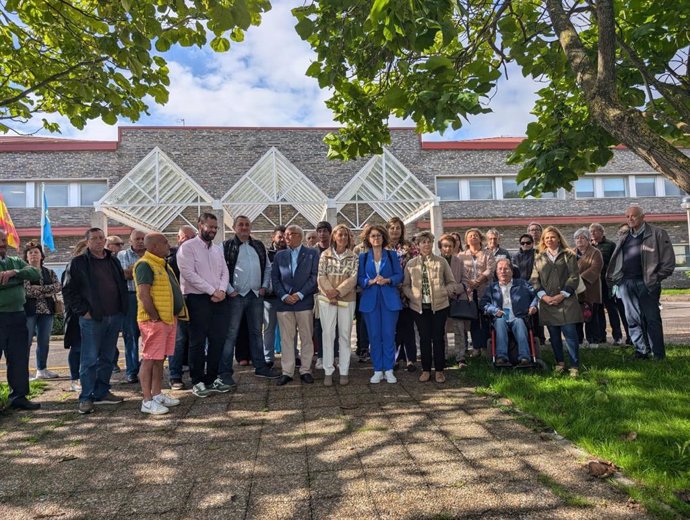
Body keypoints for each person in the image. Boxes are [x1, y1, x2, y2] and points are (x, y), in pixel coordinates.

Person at [63, 228, 128, 414]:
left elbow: (120, 285)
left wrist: (123, 309)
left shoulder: (112, 260)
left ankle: (102, 392)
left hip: (114, 316)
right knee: (89, 359)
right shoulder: (78, 263)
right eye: (94, 238)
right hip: (92, 318)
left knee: (108, 358)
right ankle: (86, 397)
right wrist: (83, 311)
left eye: (102, 238)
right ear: (87, 241)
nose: (99, 241)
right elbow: (68, 290)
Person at [607, 205, 676, 360]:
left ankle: (658, 354)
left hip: (647, 283)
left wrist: (656, 278)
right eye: (627, 216)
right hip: (626, 283)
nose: (630, 219)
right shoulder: (625, 236)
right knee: (632, 319)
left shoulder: (657, 234)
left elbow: (669, 261)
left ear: (643, 217)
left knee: (652, 319)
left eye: (633, 216)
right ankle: (641, 352)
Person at [176, 213, 231, 397]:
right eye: (210, 227)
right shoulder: (187, 248)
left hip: (219, 300)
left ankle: (212, 378)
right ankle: (198, 381)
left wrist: (222, 291)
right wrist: (212, 291)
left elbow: (225, 271)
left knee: (218, 340)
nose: (214, 230)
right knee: (197, 342)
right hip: (197, 299)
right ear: (200, 225)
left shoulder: (217, 249)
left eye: (216, 227)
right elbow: (189, 274)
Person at [220, 215, 279, 388]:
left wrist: (264, 286)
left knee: (256, 332)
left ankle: (260, 367)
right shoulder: (226, 246)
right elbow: (221, 269)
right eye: (241, 225)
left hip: (255, 296)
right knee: (231, 334)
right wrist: (229, 290)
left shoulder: (258, 245)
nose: (244, 227)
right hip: (235, 296)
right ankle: (224, 372)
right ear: (234, 227)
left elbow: (267, 267)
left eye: (247, 224)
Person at [134, 233, 187, 415]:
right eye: (165, 243)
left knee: (159, 359)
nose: (168, 245)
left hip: (167, 318)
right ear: (155, 246)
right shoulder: (145, 265)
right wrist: (154, 316)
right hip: (154, 321)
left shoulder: (162, 264)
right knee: (149, 359)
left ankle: (157, 394)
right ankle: (147, 400)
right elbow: (143, 294)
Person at [403, 231, 458, 383]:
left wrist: (444, 292)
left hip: (439, 306)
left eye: (429, 242)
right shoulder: (411, 264)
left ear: (432, 244)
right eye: (423, 242)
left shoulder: (441, 262)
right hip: (419, 308)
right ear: (418, 245)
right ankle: (426, 370)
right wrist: (412, 295)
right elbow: (405, 285)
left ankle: (439, 370)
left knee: (438, 338)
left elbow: (452, 282)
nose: (426, 244)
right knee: (424, 338)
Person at [530, 226, 583, 378]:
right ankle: (559, 363)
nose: (550, 240)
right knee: (554, 336)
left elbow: (574, 276)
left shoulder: (569, 255)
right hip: (548, 303)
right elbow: (534, 279)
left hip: (566, 301)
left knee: (570, 335)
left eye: (552, 237)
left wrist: (562, 294)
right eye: (547, 238)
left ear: (559, 238)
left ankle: (574, 366)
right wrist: (543, 296)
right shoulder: (539, 258)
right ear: (543, 241)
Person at [272, 225, 320, 386]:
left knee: (306, 338)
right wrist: (284, 295)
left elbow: (314, 277)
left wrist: (299, 294)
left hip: (304, 302)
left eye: (290, 234)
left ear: (299, 236)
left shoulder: (312, 253)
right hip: (284, 304)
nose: (287, 237)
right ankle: (287, 372)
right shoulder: (280, 255)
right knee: (287, 339)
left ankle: (305, 370)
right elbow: (275, 279)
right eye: (285, 235)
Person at [0, 230, 41, 410]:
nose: (2, 243)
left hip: (17, 315)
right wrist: (19, 280)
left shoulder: (14, 261)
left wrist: (14, 273)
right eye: (0, 240)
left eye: (3, 240)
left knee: (18, 358)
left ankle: (18, 397)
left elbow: (34, 273)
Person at [358, 225, 403, 384]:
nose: (376, 238)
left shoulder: (391, 255)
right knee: (374, 336)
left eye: (378, 235)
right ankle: (378, 369)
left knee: (389, 335)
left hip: (389, 300)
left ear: (383, 237)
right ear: (368, 239)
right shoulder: (363, 257)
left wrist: (388, 280)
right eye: (373, 236)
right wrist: (369, 281)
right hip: (370, 301)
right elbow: (359, 278)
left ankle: (389, 369)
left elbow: (399, 275)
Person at [317, 224, 358, 386]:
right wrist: (329, 293)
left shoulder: (353, 256)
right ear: (334, 236)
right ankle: (328, 370)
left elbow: (353, 278)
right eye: (340, 235)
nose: (342, 238)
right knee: (327, 334)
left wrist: (338, 292)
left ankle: (344, 371)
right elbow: (321, 276)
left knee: (345, 335)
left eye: (345, 235)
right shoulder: (325, 255)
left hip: (346, 300)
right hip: (327, 299)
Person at [480, 258, 538, 367]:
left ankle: (524, 357)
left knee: (520, 323)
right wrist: (494, 310)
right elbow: (483, 304)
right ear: (496, 272)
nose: (503, 271)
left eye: (506, 269)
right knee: (500, 323)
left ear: (512, 271)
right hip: (500, 317)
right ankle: (501, 357)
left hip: (518, 317)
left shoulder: (522, 284)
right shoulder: (492, 287)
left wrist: (533, 306)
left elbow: (535, 296)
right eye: (500, 269)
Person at [23, 242, 61, 380]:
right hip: (29, 311)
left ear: (41, 255)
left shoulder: (49, 272)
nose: (33, 254)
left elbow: (57, 286)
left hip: (47, 311)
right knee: (26, 342)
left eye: (36, 252)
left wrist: (39, 289)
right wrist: (46, 290)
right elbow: (27, 291)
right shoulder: (24, 272)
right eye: (30, 252)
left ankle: (42, 369)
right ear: (26, 257)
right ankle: (23, 371)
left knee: (44, 341)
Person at [167, 225, 196, 390]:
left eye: (193, 237)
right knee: (178, 341)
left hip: (197, 303)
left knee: (195, 340)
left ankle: (195, 372)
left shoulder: (199, 255)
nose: (190, 240)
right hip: (178, 305)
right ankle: (175, 375)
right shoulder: (172, 259)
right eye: (186, 237)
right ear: (178, 239)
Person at [458, 228, 495, 357]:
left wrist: (478, 281)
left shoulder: (488, 253)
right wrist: (469, 283)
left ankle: (486, 346)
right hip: (468, 292)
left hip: (484, 290)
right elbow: (460, 273)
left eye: (475, 235)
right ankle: (475, 347)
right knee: (473, 320)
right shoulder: (461, 256)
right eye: (470, 236)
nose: (473, 237)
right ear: (466, 240)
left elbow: (490, 270)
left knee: (485, 319)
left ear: (480, 238)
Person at [387, 216, 418, 372]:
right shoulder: (383, 247)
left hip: (406, 291)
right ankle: (395, 358)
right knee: (393, 327)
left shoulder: (409, 247)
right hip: (389, 291)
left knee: (407, 326)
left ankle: (410, 359)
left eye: (398, 228)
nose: (395, 230)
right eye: (392, 227)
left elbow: (417, 266)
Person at [117, 229, 146, 383]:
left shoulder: (151, 254)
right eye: (137, 239)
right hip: (131, 297)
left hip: (149, 298)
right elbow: (123, 275)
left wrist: (132, 270)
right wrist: (141, 268)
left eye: (143, 238)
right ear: (130, 241)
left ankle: (147, 367)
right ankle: (132, 370)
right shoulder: (122, 255)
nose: (141, 241)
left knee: (151, 335)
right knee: (131, 335)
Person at [589, 223, 624, 345]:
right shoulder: (589, 246)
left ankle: (617, 336)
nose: (593, 233)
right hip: (594, 284)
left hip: (607, 282)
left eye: (596, 230)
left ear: (602, 232)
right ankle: (601, 336)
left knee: (612, 309)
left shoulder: (610, 245)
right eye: (591, 231)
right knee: (597, 311)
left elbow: (615, 263)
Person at [438, 233, 469, 367]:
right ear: (440, 247)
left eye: (450, 246)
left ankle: (460, 357)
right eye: (445, 246)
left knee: (459, 328)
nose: (448, 249)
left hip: (457, 299)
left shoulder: (459, 262)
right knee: (441, 329)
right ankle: (442, 356)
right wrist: (445, 291)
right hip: (440, 299)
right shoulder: (436, 261)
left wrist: (458, 289)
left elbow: (466, 280)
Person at [572, 228, 603, 348]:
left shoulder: (595, 252)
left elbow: (596, 268)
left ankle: (593, 340)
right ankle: (578, 341)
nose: (580, 240)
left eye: (582, 237)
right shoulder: (571, 252)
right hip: (575, 290)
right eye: (577, 238)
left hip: (590, 288)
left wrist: (579, 278)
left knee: (591, 316)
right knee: (576, 317)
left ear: (588, 239)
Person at [63, 239, 87, 393]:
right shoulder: (71, 267)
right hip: (76, 315)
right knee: (77, 347)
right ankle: (75, 378)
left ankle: (86, 378)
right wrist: (81, 311)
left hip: (92, 313)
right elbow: (68, 293)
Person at [264, 225, 287, 366]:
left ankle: (292, 354)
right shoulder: (266, 254)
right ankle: (268, 357)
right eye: (280, 236)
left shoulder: (291, 252)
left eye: (285, 236)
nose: (283, 239)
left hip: (287, 298)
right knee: (268, 328)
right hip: (270, 298)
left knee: (289, 329)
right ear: (273, 237)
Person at [312, 220, 334, 370]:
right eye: (319, 231)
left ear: (329, 233)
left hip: (335, 293)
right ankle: (320, 356)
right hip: (318, 294)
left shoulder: (336, 250)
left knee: (335, 326)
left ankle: (335, 355)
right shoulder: (312, 251)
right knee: (319, 326)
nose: (322, 234)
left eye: (325, 231)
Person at [353, 224, 371, 362]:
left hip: (377, 290)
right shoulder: (358, 249)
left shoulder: (383, 249)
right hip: (362, 290)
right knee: (362, 321)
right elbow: (355, 270)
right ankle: (362, 348)